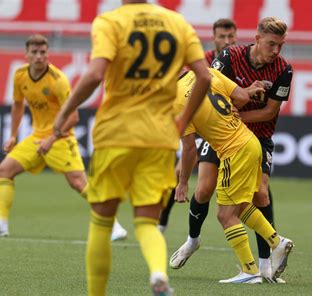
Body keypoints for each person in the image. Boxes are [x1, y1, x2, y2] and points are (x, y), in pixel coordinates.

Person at [53, 1, 211, 295]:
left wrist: (63, 113)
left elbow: (95, 75)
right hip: (160, 136)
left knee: (101, 221)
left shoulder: (110, 22)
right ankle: (159, 274)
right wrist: (183, 121)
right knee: (147, 223)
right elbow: (204, 76)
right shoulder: (177, 22)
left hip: (116, 133)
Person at [170, 16, 293, 284]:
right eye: (271, 44)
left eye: (279, 45)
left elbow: (189, 150)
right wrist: (239, 103)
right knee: (210, 192)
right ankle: (272, 241)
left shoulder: (175, 102)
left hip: (243, 141)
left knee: (233, 210)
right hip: (238, 141)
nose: (276, 50)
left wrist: (181, 183)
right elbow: (238, 96)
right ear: (258, 39)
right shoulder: (214, 68)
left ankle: (255, 269)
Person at [0, 34, 87, 237]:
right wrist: (12, 135)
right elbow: (17, 106)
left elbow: (74, 117)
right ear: (26, 54)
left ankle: (114, 226)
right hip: (36, 137)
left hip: (60, 138)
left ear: (48, 54)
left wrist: (51, 139)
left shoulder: (58, 80)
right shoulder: (19, 76)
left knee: (78, 183)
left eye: (43, 52)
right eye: (34, 52)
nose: (39, 57)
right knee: (4, 171)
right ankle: (0, 225)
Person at [157, 18, 237, 233]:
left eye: (231, 36)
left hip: (226, 124)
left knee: (259, 188)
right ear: (214, 38)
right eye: (222, 36)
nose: (227, 41)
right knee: (179, 171)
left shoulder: (237, 59)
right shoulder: (203, 62)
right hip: (198, 123)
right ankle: (162, 221)